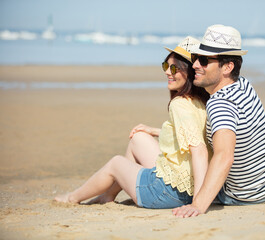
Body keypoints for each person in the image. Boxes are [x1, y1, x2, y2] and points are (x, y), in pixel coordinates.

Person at [55, 36, 211, 209]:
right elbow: (192, 133)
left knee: (116, 163)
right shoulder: (201, 101)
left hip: (167, 193)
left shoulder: (180, 104)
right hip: (183, 183)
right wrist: (153, 130)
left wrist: (198, 203)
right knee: (138, 137)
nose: (167, 72)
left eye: (174, 68)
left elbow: (199, 151)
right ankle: (108, 194)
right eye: (166, 66)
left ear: (189, 72)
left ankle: (71, 198)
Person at [173, 25, 265, 218]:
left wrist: (198, 205)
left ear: (228, 67)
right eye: (195, 58)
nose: (194, 65)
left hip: (246, 193)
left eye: (203, 60)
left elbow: (224, 156)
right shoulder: (242, 84)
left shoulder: (220, 105)